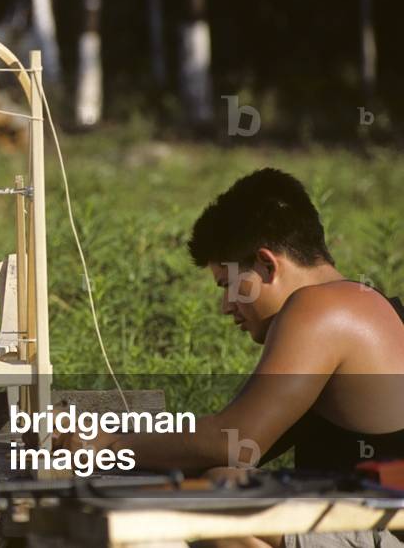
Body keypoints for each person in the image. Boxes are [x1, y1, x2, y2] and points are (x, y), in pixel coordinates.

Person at [53, 168, 404, 547]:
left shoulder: (321, 309)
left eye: (228, 285)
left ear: (267, 264)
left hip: (377, 528)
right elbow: (230, 450)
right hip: (362, 521)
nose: (226, 306)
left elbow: (228, 440)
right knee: (219, 484)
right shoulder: (365, 307)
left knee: (197, 505)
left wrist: (104, 446)